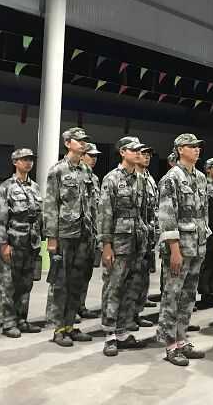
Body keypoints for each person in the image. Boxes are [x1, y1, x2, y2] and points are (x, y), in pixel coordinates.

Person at [157, 133, 209, 366]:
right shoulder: (171, 178)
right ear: (180, 149)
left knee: (188, 296)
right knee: (172, 296)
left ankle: (182, 339)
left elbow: (203, 214)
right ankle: (170, 345)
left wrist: (204, 239)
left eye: (198, 146)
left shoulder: (200, 177)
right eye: (191, 146)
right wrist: (174, 250)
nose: (197, 149)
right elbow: (167, 217)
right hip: (180, 249)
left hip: (197, 246)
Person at [44, 127, 97, 347]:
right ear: (67, 143)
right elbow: (50, 205)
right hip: (65, 234)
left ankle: (70, 326)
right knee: (61, 283)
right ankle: (59, 330)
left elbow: (93, 203)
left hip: (84, 234)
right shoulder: (57, 170)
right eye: (79, 140)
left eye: (84, 141)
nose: (83, 143)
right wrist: (51, 237)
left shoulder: (86, 171)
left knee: (77, 282)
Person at [97, 137, 150, 356]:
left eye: (139, 150)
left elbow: (144, 212)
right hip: (118, 243)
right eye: (133, 150)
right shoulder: (111, 179)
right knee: (113, 287)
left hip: (137, 242)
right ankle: (109, 334)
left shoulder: (141, 179)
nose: (138, 153)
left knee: (131, 288)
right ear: (122, 152)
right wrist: (106, 245)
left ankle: (122, 332)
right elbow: (105, 214)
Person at [0, 148, 43, 337]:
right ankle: (8, 323)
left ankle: (21, 319)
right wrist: (3, 244)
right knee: (8, 284)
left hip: (30, 244)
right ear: (15, 162)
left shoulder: (35, 187)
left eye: (31, 159)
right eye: (24, 159)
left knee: (25, 284)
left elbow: (39, 217)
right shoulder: (6, 187)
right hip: (13, 243)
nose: (28, 162)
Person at [131, 143, 158, 330]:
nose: (147, 157)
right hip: (131, 236)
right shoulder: (130, 178)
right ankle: (126, 317)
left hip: (148, 235)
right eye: (143, 153)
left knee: (143, 276)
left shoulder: (150, 179)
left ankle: (136, 313)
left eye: (149, 154)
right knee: (131, 278)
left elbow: (154, 208)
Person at [78, 143, 102, 320]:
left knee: (86, 272)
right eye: (90, 155)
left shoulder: (94, 179)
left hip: (91, 233)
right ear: (81, 156)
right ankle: (61, 313)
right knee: (68, 276)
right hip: (75, 233)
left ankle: (81, 305)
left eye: (95, 156)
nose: (93, 159)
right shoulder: (73, 176)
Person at [197, 158, 213, 309]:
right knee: (207, 263)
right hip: (210, 230)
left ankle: (212, 291)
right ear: (208, 169)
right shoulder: (204, 185)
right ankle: (205, 293)